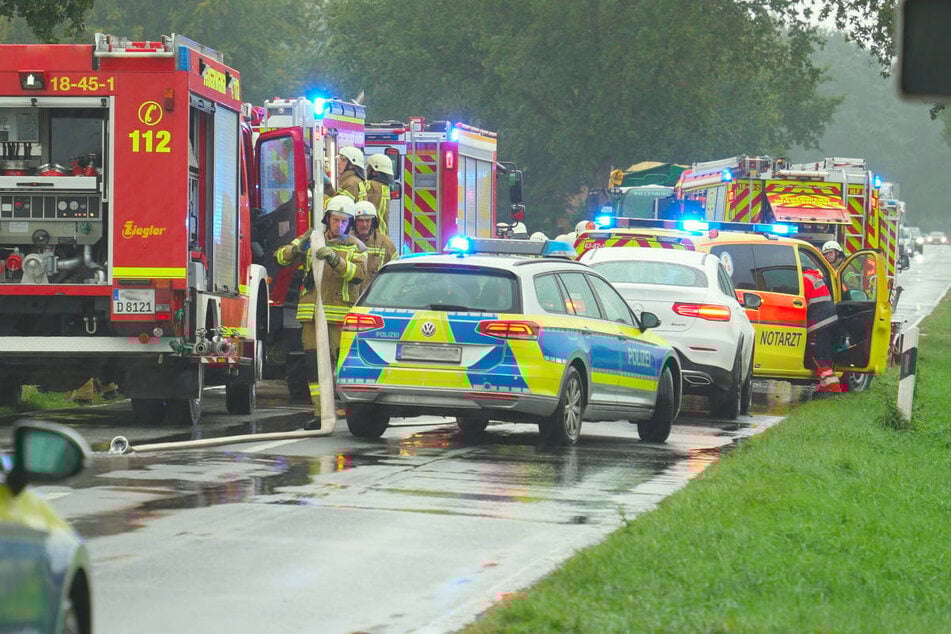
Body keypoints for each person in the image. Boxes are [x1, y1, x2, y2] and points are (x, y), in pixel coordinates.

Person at [274, 195, 367, 425]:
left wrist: (336, 260)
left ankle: (343, 409)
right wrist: (298, 248)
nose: (340, 226)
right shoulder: (314, 240)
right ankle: (320, 413)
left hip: (339, 316)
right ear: (328, 219)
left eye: (345, 221)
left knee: (338, 366)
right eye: (336, 220)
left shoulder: (356, 246)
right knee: (313, 365)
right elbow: (280, 258)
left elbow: (359, 275)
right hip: (312, 315)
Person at [802, 266, 842, 395]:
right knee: (825, 353)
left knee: (817, 354)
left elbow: (803, 301)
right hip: (830, 318)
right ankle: (824, 386)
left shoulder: (804, 279)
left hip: (819, 320)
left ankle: (834, 388)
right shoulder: (815, 277)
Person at [351, 200, 397, 295]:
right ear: (353, 222)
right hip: (351, 299)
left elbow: (396, 274)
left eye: (368, 220)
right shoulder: (346, 242)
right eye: (360, 220)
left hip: (375, 300)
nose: (364, 225)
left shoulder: (385, 243)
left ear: (373, 222)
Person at [364, 154, 394, 234]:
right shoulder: (385, 188)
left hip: (374, 235)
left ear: (374, 172)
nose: (367, 171)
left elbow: (356, 184)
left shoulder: (372, 186)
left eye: (369, 168)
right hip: (383, 234)